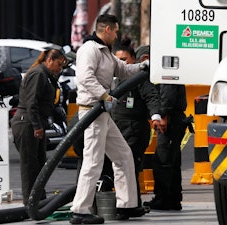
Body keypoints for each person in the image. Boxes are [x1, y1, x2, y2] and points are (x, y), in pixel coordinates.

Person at [69, 14, 149, 224]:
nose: (117, 35)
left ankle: (127, 205)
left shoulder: (105, 52)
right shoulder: (89, 50)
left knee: (123, 155)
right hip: (92, 112)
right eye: (115, 30)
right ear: (106, 30)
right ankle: (80, 211)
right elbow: (85, 78)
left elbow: (123, 70)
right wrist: (105, 95)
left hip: (103, 112)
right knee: (93, 162)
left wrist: (142, 67)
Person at [11, 49, 67, 206]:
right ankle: (30, 202)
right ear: (49, 60)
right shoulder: (39, 74)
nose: (59, 68)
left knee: (40, 164)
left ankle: (39, 199)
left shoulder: (47, 76)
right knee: (30, 166)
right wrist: (37, 126)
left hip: (36, 122)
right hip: (27, 123)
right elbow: (32, 102)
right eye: (58, 64)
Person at [111, 44, 163, 207]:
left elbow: (152, 97)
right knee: (118, 167)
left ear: (134, 60)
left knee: (130, 165)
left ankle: (133, 204)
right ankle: (124, 203)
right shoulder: (112, 79)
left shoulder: (139, 78)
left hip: (134, 129)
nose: (122, 64)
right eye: (118, 60)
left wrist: (155, 116)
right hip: (116, 127)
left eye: (124, 60)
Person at [143, 82, 188, 210]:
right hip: (174, 117)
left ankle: (163, 198)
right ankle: (173, 198)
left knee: (163, 160)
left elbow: (167, 93)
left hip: (170, 118)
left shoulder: (165, 70)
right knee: (172, 160)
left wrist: (163, 115)